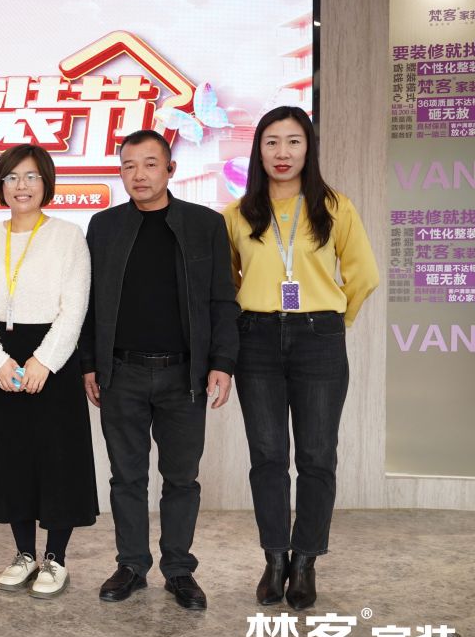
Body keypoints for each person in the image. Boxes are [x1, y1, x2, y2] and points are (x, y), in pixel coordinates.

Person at [224, 106, 378, 610]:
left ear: (308, 148)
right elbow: (227, 281)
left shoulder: (334, 207)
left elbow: (363, 274)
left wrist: (335, 322)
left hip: (318, 338)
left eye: (293, 141)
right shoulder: (237, 213)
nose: (282, 152)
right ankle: (275, 559)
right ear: (258, 150)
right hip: (256, 339)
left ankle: (306, 561)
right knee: (267, 455)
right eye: (271, 142)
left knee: (316, 455)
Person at [79, 129, 238, 611]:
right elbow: (90, 302)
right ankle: (131, 565)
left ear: (171, 169)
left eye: (150, 164)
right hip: (121, 372)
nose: (139, 175)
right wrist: (89, 364)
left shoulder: (205, 224)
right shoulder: (104, 226)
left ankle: (179, 570)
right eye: (129, 166)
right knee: (126, 477)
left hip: (184, 376)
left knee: (182, 478)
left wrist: (222, 364)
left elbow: (222, 299)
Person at [0, 144, 97, 599]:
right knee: (11, 460)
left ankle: (55, 557)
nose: (21, 186)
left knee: (57, 461)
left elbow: (75, 306)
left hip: (52, 359)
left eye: (31, 177)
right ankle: (24, 554)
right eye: (12, 177)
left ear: (47, 183)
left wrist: (45, 360)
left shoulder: (68, 235)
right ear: (0, 186)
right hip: (2, 359)